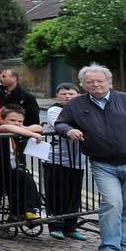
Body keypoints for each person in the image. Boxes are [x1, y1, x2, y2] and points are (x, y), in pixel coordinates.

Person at [53, 64, 126, 251]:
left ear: (109, 82)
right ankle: (110, 247)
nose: (95, 84)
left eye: (100, 81)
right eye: (90, 82)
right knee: (112, 203)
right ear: (83, 84)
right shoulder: (76, 105)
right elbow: (60, 123)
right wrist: (68, 130)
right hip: (103, 164)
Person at [42, 83, 87, 241]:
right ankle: (55, 226)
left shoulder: (82, 109)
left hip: (78, 161)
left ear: (78, 95)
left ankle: (70, 227)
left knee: (73, 196)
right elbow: (60, 125)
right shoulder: (54, 110)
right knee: (56, 195)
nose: (67, 97)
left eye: (71, 94)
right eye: (63, 94)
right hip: (56, 160)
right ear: (57, 96)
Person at [0, 104, 43, 223]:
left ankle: (27, 212)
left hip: (11, 169)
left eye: (20, 121)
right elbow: (7, 128)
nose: (16, 123)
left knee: (26, 179)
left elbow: (39, 127)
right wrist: (30, 133)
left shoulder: (19, 129)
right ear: (2, 119)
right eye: (12, 120)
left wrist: (24, 128)